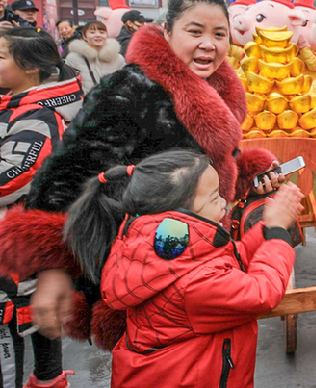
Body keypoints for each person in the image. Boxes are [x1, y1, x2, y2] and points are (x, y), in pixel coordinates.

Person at [0, 0, 279, 353]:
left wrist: (248, 174)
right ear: (167, 31)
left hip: (202, 264)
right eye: (194, 31)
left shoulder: (217, 90)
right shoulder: (132, 87)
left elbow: (200, 173)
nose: (208, 44)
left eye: (219, 34)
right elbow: (67, 173)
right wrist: (54, 265)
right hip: (142, 272)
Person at [64, 149, 301, 387]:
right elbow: (262, 292)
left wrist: (266, 228)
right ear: (182, 214)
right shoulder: (193, 283)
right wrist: (278, 233)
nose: (224, 202)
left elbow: (229, 259)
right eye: (213, 197)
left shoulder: (161, 238)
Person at [0, 27, 83, 388]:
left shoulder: (38, 115)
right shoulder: (13, 105)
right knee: (36, 323)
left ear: (29, 67)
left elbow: (13, 176)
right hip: (23, 251)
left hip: (21, 252)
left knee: (25, 323)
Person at [65, 20, 126, 95]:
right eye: (92, 32)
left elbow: (125, 83)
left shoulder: (118, 58)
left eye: (102, 32)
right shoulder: (73, 58)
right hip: (84, 104)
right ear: (85, 36)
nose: (98, 35)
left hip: (112, 104)